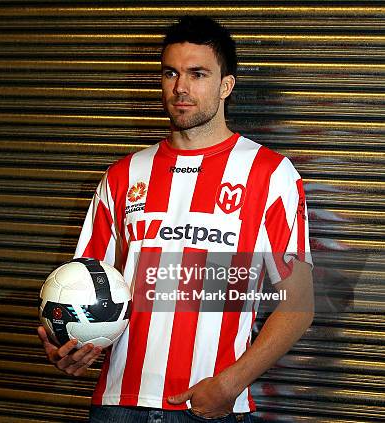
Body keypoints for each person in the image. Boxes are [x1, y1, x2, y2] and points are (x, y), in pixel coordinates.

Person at [37, 16, 314, 423]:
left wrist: (229, 385)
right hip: (118, 407)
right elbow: (83, 287)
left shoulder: (269, 174)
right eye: (171, 73)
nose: (181, 87)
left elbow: (297, 305)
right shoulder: (122, 176)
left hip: (212, 408)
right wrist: (69, 343)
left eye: (197, 74)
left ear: (226, 85)